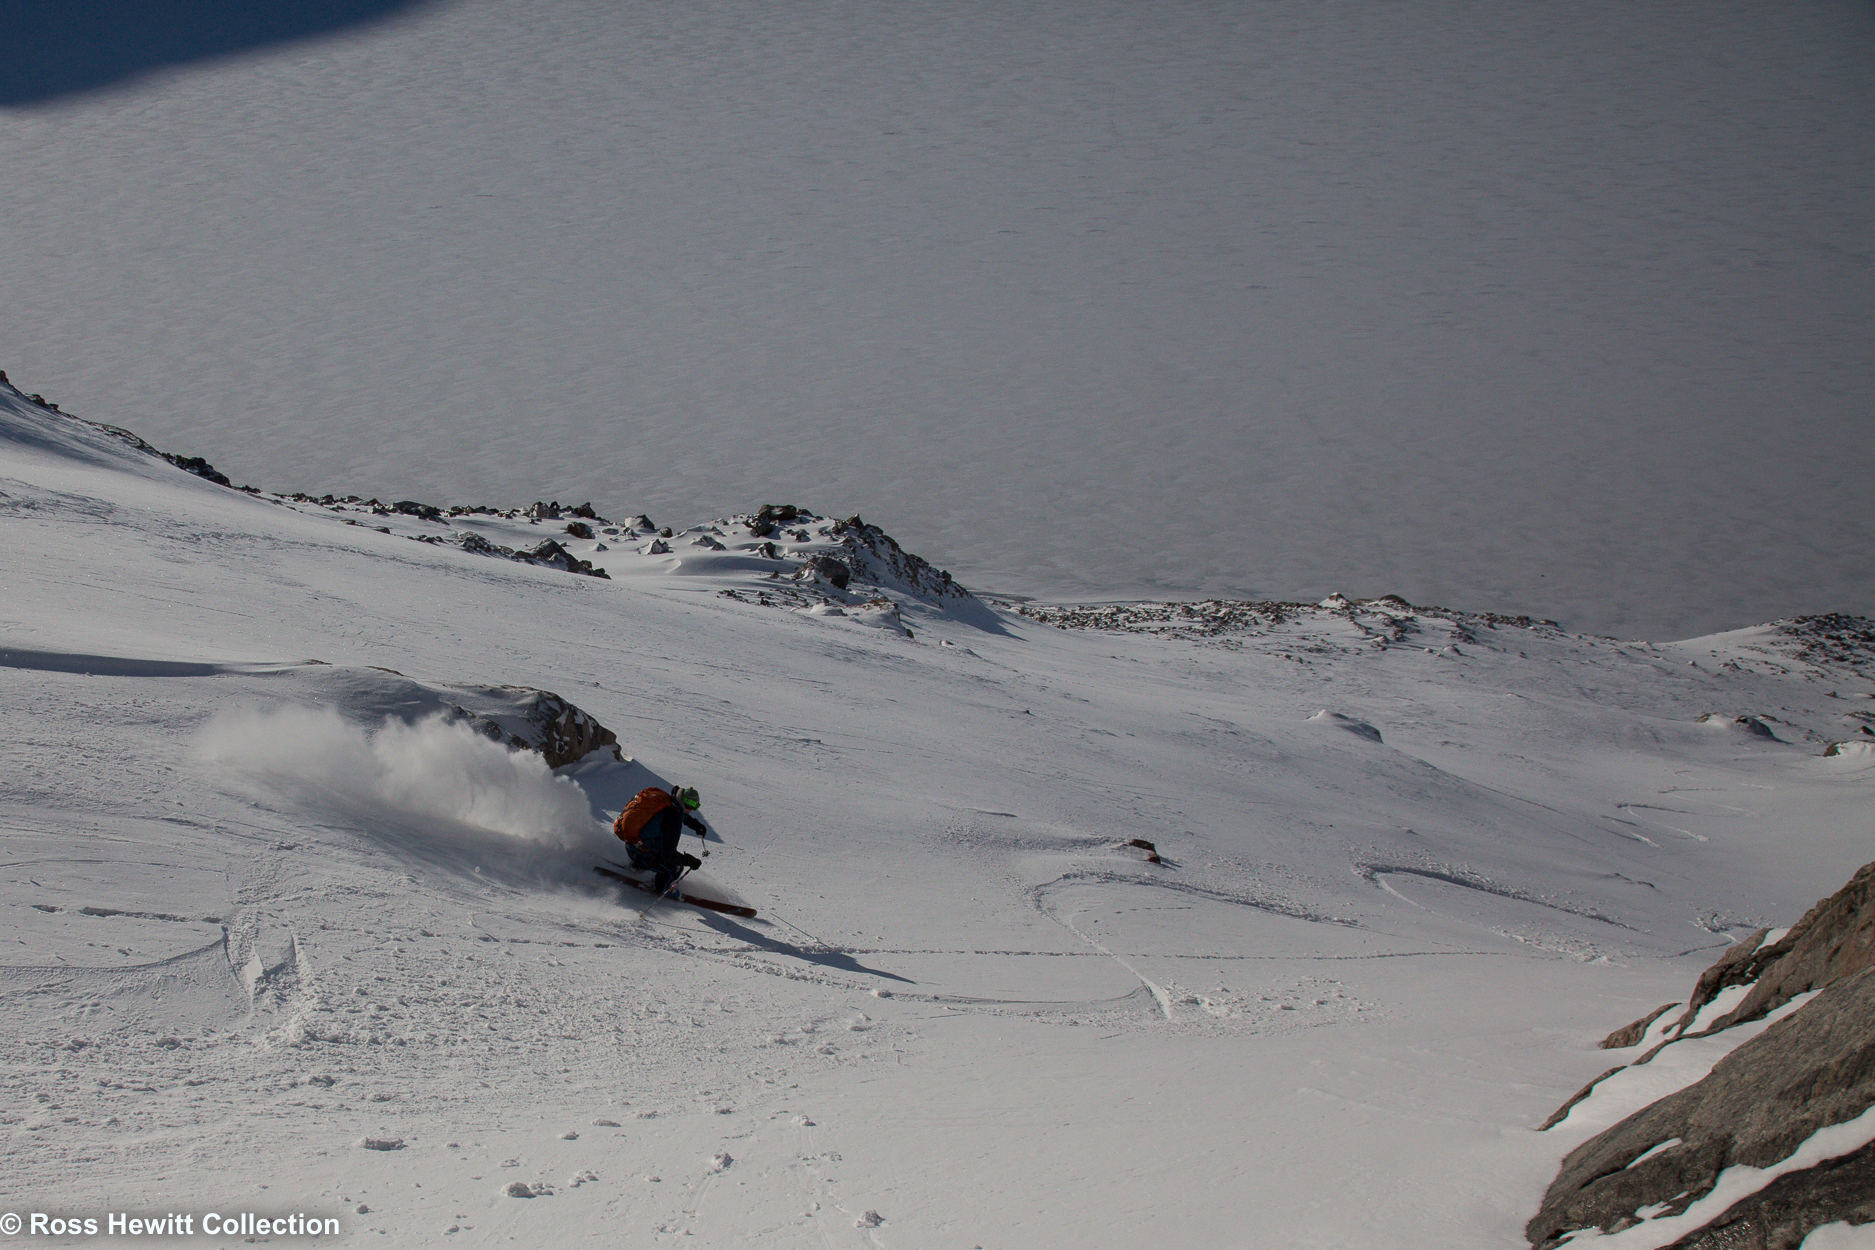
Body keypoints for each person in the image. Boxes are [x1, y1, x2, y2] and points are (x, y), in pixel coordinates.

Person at [615, 785, 708, 894]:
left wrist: (693, 824)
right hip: (640, 853)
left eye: (695, 805)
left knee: (656, 844)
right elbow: (669, 855)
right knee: (675, 868)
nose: (692, 809)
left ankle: (636, 866)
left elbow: (675, 814)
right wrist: (690, 861)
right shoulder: (673, 821)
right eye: (692, 805)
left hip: (632, 843)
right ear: (684, 802)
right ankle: (655, 887)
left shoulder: (668, 801)